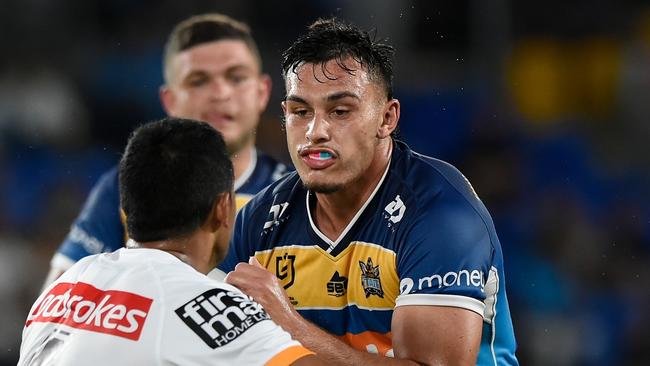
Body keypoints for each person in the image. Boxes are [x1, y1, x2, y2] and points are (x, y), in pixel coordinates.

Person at [220, 18, 519, 365]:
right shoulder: (260, 219)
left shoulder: (441, 214)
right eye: (301, 112)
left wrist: (289, 324)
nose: (315, 132)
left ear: (387, 119)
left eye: (340, 110)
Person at [19, 118, 321, 366]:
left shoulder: (63, 287)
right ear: (222, 209)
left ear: (127, 207)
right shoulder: (205, 304)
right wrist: (288, 319)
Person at [43, 13, 289, 286]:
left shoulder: (297, 197)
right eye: (199, 81)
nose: (220, 93)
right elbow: (60, 298)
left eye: (236, 77)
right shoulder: (127, 185)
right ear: (169, 101)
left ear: (262, 92)